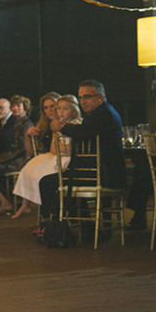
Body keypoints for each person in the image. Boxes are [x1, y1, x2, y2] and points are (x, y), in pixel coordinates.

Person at [39, 80, 126, 220]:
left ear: (100, 98)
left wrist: (62, 126)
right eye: (80, 97)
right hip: (98, 171)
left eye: (87, 97)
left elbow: (84, 132)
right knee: (54, 180)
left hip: (105, 174)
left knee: (48, 182)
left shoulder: (104, 113)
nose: (83, 101)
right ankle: (80, 226)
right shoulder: (100, 112)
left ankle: (52, 224)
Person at [12, 95, 82, 219]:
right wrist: (29, 136)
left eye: (53, 107)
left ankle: (50, 215)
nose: (51, 110)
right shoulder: (45, 125)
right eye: (46, 108)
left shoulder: (73, 125)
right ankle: (32, 208)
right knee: (29, 170)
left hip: (65, 159)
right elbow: (33, 152)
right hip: (52, 156)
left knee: (46, 175)